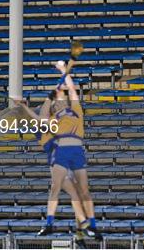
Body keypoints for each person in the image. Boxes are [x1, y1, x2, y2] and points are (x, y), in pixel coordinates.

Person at [20, 61, 100, 239]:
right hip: (59, 159)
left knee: (77, 193)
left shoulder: (65, 116)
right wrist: (48, 97)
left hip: (68, 156)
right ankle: (81, 228)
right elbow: (41, 116)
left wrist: (63, 74)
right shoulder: (49, 124)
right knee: (72, 192)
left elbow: (67, 94)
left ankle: (82, 230)